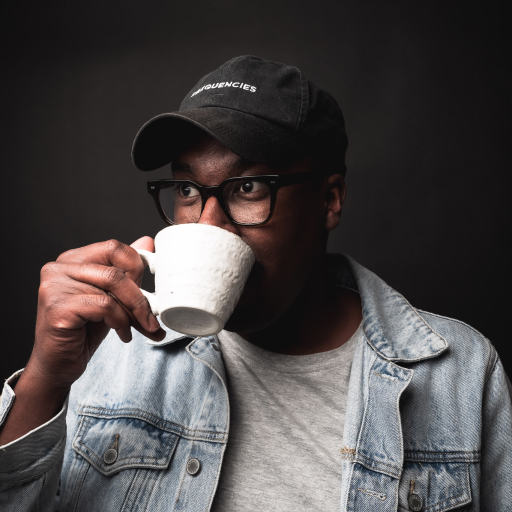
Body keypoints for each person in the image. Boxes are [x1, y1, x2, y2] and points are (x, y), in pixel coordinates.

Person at [0, 55, 510, 512]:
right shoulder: (109, 347)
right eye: (187, 189)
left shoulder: (460, 375)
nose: (208, 225)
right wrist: (44, 381)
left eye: (247, 187)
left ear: (329, 200)